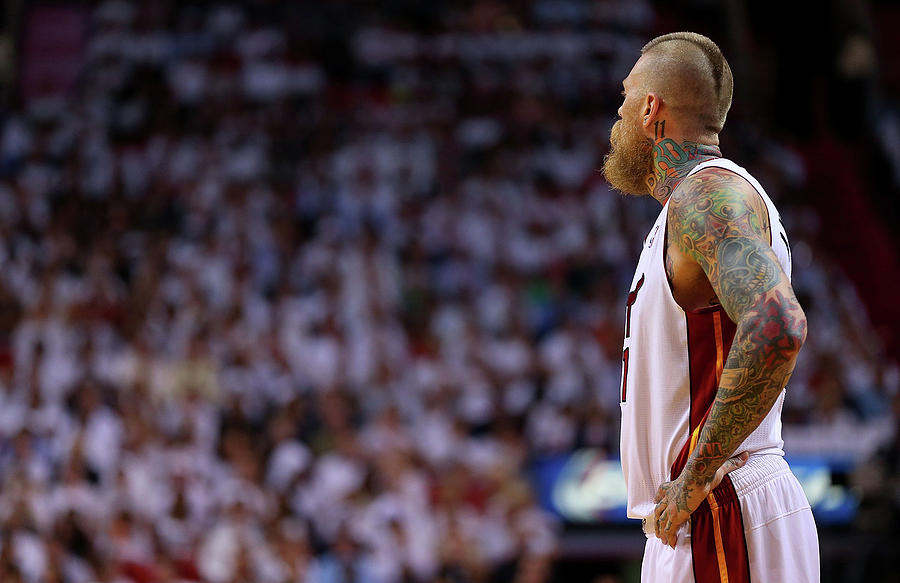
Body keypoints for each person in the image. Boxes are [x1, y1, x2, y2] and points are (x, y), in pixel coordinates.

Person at [602, 32, 819, 582]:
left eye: (625, 97)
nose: (618, 113)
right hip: (702, 511)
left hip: (719, 508)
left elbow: (777, 323)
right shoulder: (692, 204)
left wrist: (696, 476)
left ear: (651, 109)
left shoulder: (707, 197)